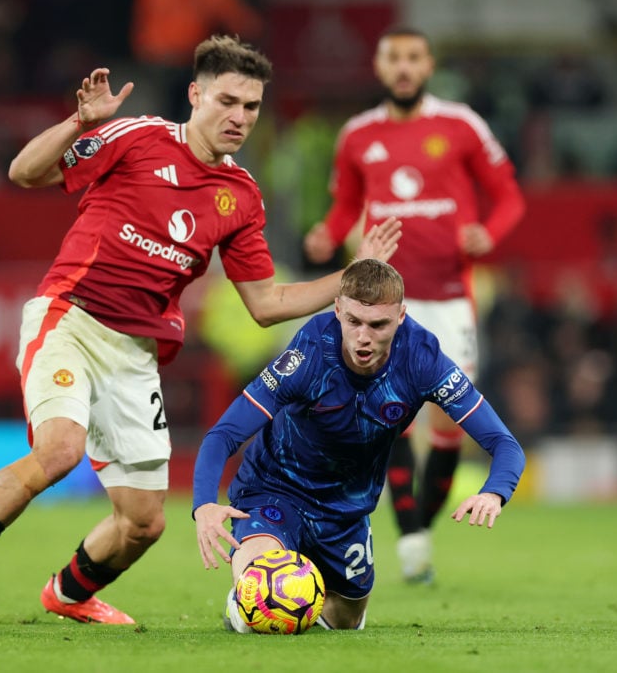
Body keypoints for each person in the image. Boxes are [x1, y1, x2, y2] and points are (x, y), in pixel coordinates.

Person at [0, 35, 401, 629]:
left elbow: (265, 303)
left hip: (135, 354)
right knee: (59, 451)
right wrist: (76, 122)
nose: (240, 117)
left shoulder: (239, 195)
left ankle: (68, 592)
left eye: (252, 107)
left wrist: (351, 278)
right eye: (228, 101)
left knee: (144, 523)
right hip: (72, 318)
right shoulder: (135, 137)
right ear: (195, 94)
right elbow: (24, 172)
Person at [193, 259, 525, 631]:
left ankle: (318, 592)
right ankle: (244, 605)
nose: (363, 337)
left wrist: (494, 493)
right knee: (267, 585)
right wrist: (204, 503)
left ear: (401, 316)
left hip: (345, 510)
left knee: (345, 621)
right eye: (353, 321)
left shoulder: (422, 359)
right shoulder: (309, 354)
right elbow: (223, 434)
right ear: (337, 309)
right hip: (275, 491)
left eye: (378, 324)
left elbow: (503, 442)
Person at [303, 27, 525, 583]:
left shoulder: (461, 124)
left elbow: (509, 197)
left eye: (413, 58)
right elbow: (345, 206)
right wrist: (326, 235)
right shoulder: (357, 135)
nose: (403, 68)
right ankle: (410, 538)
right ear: (380, 68)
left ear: (428, 65)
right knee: (392, 419)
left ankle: (419, 525)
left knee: (449, 425)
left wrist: (488, 234)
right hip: (384, 298)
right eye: (393, 58)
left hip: (450, 298)